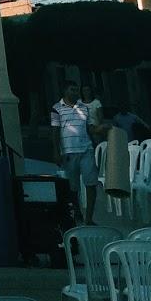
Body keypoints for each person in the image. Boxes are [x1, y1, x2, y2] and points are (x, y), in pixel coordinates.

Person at [52, 81, 98, 224]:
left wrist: (100, 131)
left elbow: (89, 128)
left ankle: (89, 218)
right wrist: (56, 151)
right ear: (65, 91)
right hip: (69, 151)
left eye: (76, 90)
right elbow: (55, 131)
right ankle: (77, 211)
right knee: (73, 187)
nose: (75, 92)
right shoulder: (56, 108)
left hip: (86, 149)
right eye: (72, 89)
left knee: (91, 183)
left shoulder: (84, 108)